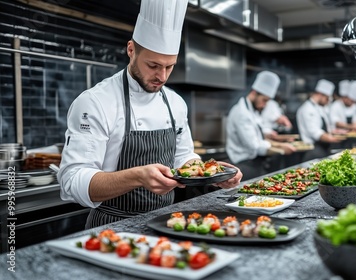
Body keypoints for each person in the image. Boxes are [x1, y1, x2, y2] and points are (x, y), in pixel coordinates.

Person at [57, 0, 242, 229]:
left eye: (169, 66)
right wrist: (137, 176)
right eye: (153, 65)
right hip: (112, 226)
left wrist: (209, 173)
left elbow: (183, 157)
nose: (162, 77)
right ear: (131, 50)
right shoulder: (95, 102)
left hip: (167, 222)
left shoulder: (175, 102)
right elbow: (72, 180)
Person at [226, 71, 296, 181]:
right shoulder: (241, 113)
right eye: (264, 100)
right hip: (245, 167)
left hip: (255, 164)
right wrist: (281, 148)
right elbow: (255, 146)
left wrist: (274, 139)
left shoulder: (252, 111)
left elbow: (258, 136)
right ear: (254, 92)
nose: (265, 104)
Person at [296, 79, 344, 161]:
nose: (327, 101)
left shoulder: (319, 108)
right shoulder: (307, 109)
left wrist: (334, 132)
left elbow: (326, 127)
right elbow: (314, 132)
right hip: (312, 151)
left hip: (322, 149)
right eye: (327, 98)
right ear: (321, 94)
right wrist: (332, 139)